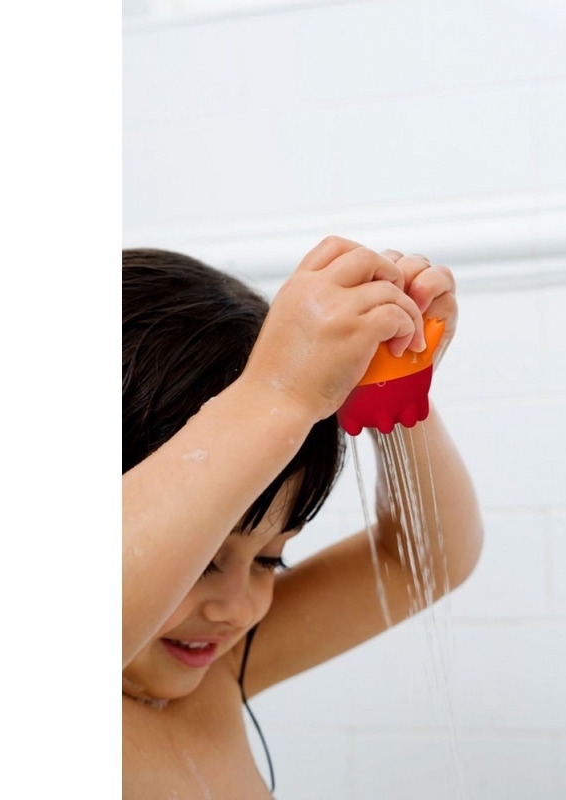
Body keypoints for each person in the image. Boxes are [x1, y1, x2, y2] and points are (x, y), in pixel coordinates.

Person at [122, 235, 483, 798]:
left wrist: (395, 393)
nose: (238, 608)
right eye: (201, 559)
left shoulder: (218, 669)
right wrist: (276, 395)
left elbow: (418, 562)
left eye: (269, 560)